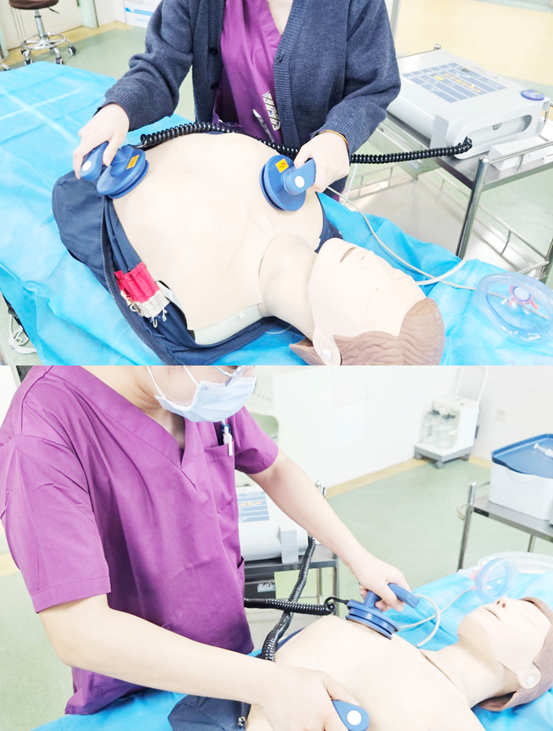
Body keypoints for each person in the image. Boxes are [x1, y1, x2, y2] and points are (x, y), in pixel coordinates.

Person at [0, 365, 409, 730]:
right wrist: (271, 684)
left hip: (232, 657)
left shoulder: (201, 394)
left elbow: (274, 468)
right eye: (231, 366)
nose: (243, 379)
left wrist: (359, 557)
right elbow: (79, 630)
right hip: (134, 686)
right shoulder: (41, 431)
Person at [55, 132, 445, 365]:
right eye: (393, 273)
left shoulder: (204, 306)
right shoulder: (311, 218)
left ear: (328, 348)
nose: (372, 263)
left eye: (373, 294)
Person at [72, 0, 401, 195]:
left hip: (308, 177)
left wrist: (337, 135)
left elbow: (372, 86)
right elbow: (159, 66)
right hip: (223, 166)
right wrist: (118, 109)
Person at [169, 596, 553, 731]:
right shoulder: (370, 635)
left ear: (529, 675)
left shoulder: (458, 724)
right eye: (508, 599)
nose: (504, 601)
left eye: (528, 617)